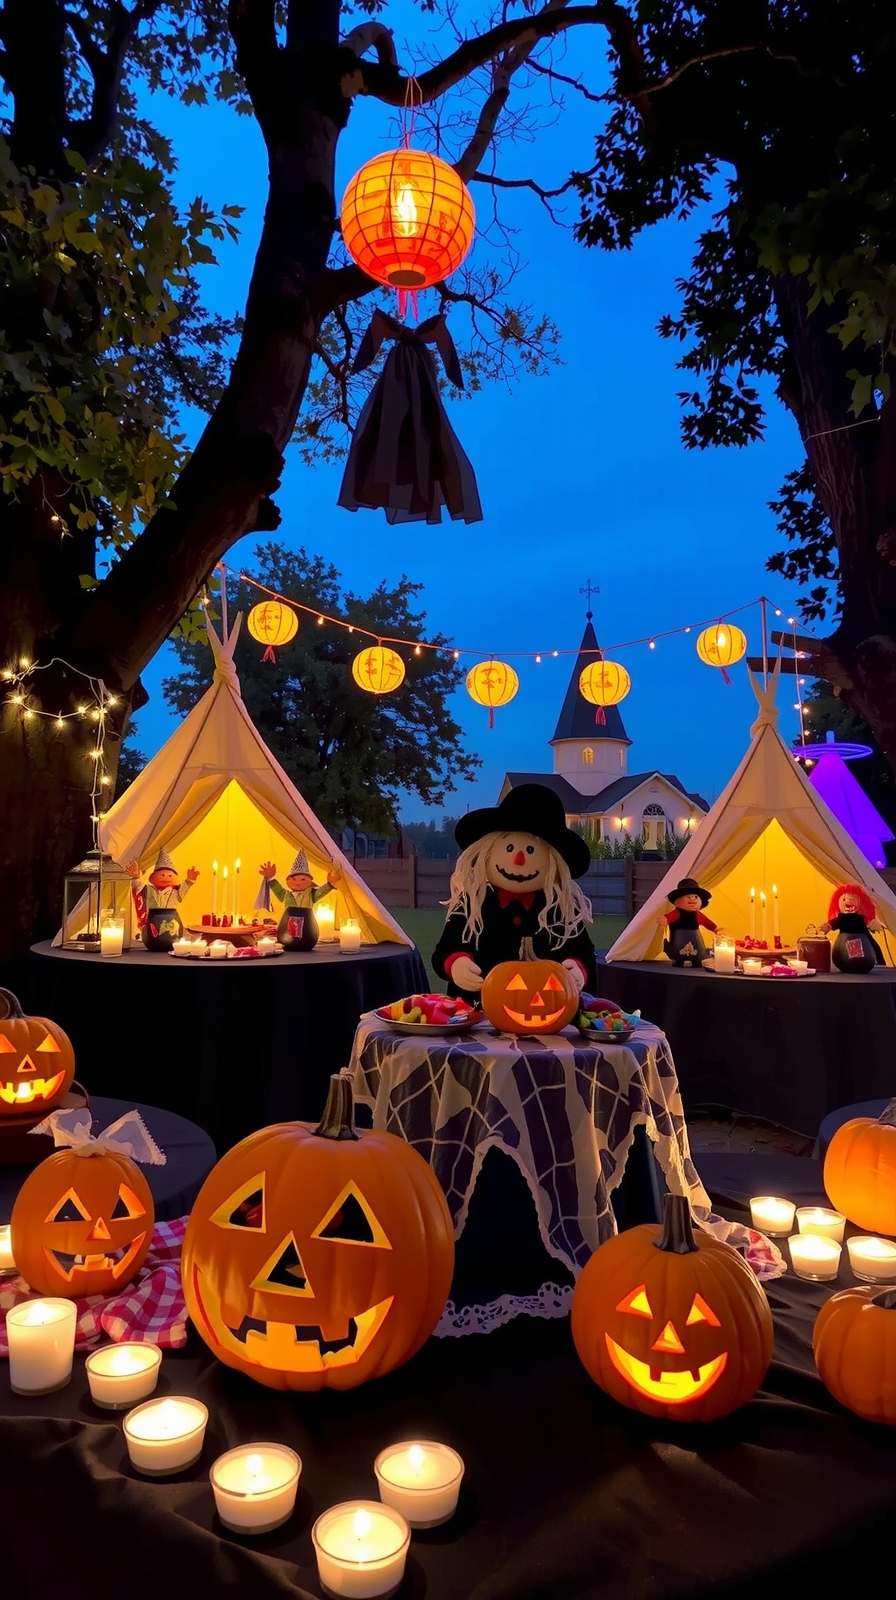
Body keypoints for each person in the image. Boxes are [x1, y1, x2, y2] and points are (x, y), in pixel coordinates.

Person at [432, 784, 596, 1002]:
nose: (518, 860)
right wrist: (456, 963)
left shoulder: (561, 909)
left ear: (555, 862)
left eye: (530, 851)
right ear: (486, 853)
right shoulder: (472, 903)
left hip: (548, 1010)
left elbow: (583, 952)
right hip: (475, 1013)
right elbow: (445, 948)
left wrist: (578, 969)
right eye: (509, 848)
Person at [257, 849, 342, 951]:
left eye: (303, 880)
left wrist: (330, 884)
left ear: (310, 882)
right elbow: (278, 890)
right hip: (287, 930)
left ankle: (304, 941)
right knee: (287, 936)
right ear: (288, 880)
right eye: (294, 879)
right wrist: (270, 878)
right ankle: (288, 940)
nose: (298, 883)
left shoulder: (311, 894)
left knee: (306, 936)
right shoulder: (286, 894)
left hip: (307, 928)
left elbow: (321, 892)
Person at [126, 847, 198, 951]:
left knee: (173, 933)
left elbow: (184, 889)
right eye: (163, 875)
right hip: (152, 920)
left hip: (171, 921)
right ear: (153, 877)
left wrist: (189, 880)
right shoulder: (148, 889)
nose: (166, 878)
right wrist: (136, 877)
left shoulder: (175, 892)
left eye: (170, 875)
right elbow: (138, 886)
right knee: (152, 933)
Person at [820, 883, 884, 973]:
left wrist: (873, 924)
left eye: (853, 899)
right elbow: (834, 923)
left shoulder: (861, 918)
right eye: (844, 899)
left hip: (859, 941)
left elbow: (869, 923)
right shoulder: (841, 919)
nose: (848, 902)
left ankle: (861, 963)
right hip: (844, 945)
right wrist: (828, 926)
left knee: (860, 956)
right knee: (850, 956)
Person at [659, 877, 717, 967]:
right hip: (679, 936)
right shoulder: (678, 913)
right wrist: (665, 919)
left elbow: (706, 922)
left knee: (697, 949)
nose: (692, 899)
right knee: (678, 949)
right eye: (688, 897)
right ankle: (679, 960)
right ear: (678, 900)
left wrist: (715, 928)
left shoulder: (697, 914)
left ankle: (697, 961)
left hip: (695, 936)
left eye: (695, 897)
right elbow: (671, 916)